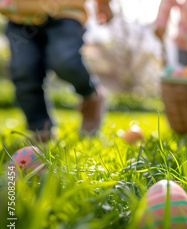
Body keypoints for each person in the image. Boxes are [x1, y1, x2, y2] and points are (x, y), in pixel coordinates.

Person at [1, 0, 114, 141]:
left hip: (66, 11)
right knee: (24, 69)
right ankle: (40, 128)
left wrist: (103, 3)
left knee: (65, 61)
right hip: (19, 16)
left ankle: (90, 95)